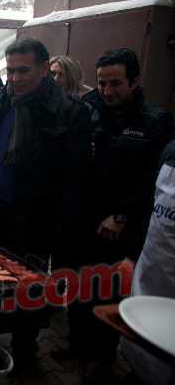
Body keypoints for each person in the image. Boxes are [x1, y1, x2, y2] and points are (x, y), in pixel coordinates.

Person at [0, 37, 92, 376]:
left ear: (43, 69)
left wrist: (60, 229)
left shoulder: (70, 112)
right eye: (10, 70)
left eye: (23, 70)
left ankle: (24, 353)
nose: (15, 78)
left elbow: (75, 179)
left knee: (28, 291)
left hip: (34, 221)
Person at [53, 48, 174, 382]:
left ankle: (102, 357)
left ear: (135, 81)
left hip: (120, 226)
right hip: (84, 217)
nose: (107, 91)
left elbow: (152, 177)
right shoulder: (89, 108)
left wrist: (120, 215)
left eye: (116, 83)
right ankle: (76, 343)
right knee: (78, 286)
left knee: (108, 291)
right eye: (102, 82)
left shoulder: (155, 121)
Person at [121, 140, 175, 385]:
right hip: (153, 263)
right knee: (143, 341)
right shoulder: (170, 149)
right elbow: (151, 207)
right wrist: (132, 255)